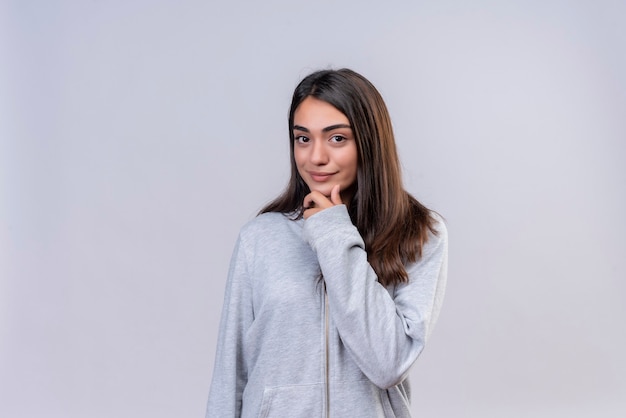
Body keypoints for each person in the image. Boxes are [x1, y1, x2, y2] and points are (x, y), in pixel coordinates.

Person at [206, 68, 448, 418]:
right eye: (303, 138)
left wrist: (334, 232)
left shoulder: (419, 233)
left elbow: (388, 363)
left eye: (337, 139)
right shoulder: (260, 238)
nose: (316, 157)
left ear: (369, 141)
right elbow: (230, 374)